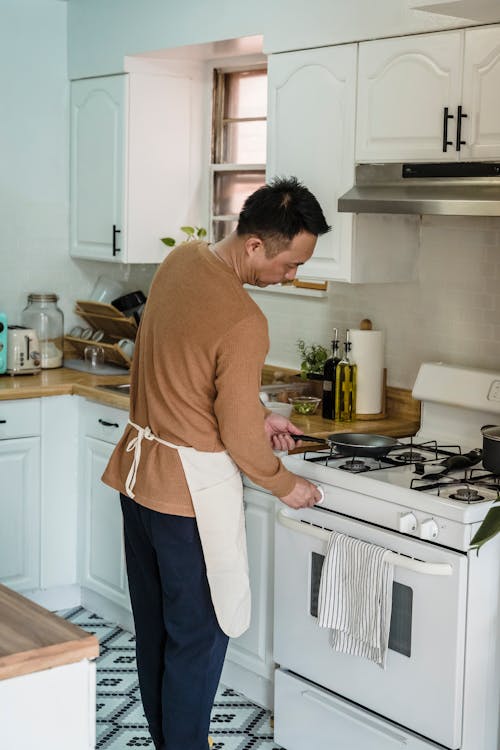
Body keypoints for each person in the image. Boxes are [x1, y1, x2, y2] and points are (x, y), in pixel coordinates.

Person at [101, 175, 331, 750]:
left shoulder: (181, 260)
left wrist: (258, 412)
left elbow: (189, 365)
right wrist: (286, 485)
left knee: (157, 634)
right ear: (255, 245)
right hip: (187, 501)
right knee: (200, 639)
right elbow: (237, 438)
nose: (292, 276)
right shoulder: (246, 320)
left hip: (137, 481)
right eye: (290, 263)